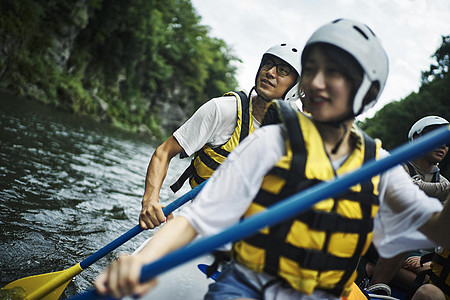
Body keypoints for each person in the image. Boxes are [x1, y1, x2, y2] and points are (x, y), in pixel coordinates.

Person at [94, 18, 450, 299]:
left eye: (336, 73)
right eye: (314, 70)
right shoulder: (269, 141)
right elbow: (194, 218)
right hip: (248, 286)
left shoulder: (379, 165)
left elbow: (438, 229)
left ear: (367, 92)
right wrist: (141, 263)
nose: (320, 82)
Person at [139, 43, 302, 230]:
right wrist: (150, 200)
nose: (270, 72)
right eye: (267, 64)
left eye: (282, 70)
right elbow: (164, 152)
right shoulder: (222, 109)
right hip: (201, 219)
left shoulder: (297, 135)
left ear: (296, 87)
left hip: (252, 231)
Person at [364, 116, 450, 297]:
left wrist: (426, 260)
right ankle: (376, 285)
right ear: (417, 138)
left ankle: (372, 271)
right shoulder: (396, 164)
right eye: (436, 138)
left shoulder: (443, 183)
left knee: (434, 279)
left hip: (413, 248)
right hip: (377, 234)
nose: (443, 146)